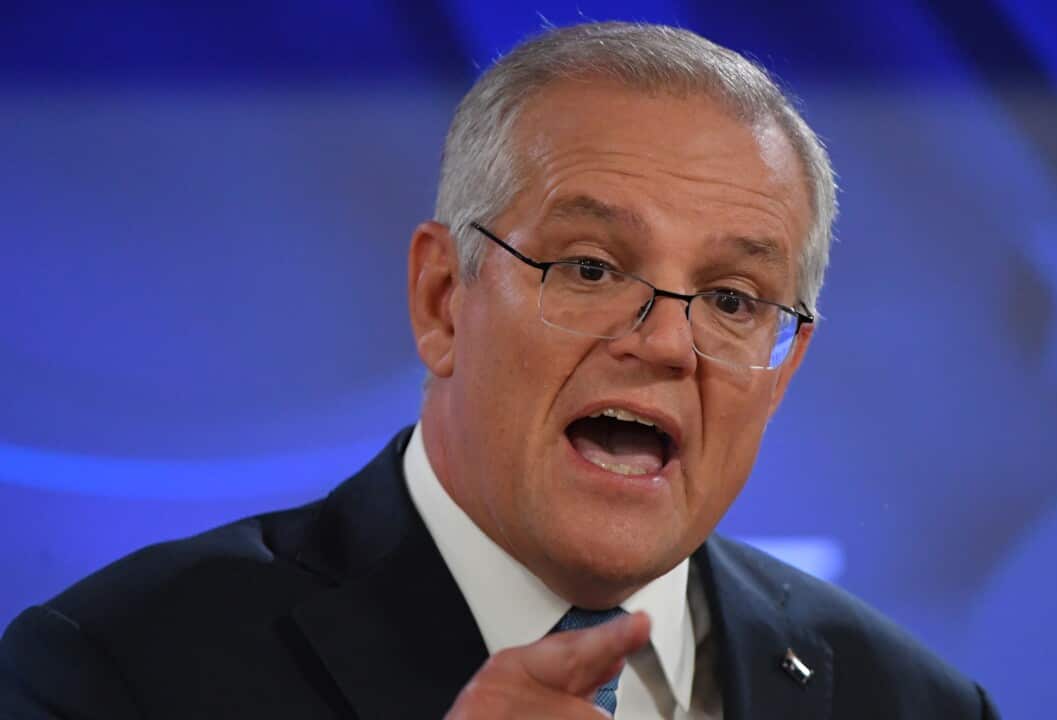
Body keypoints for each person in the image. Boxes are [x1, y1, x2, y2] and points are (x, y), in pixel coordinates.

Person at [0, 21, 999, 719]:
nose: (661, 341)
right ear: (443, 298)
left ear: (778, 372)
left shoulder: (911, 704)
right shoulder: (115, 675)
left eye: (733, 300)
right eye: (591, 268)